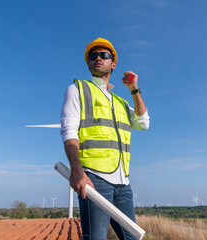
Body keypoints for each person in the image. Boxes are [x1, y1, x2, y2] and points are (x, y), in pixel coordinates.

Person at [60, 37, 150, 240]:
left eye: (104, 55)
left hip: (123, 182)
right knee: (96, 238)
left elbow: (143, 123)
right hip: (94, 180)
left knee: (132, 237)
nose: (98, 58)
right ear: (89, 63)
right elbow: (69, 130)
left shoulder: (120, 102)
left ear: (113, 63)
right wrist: (77, 171)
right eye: (93, 56)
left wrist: (134, 89)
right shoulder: (77, 90)